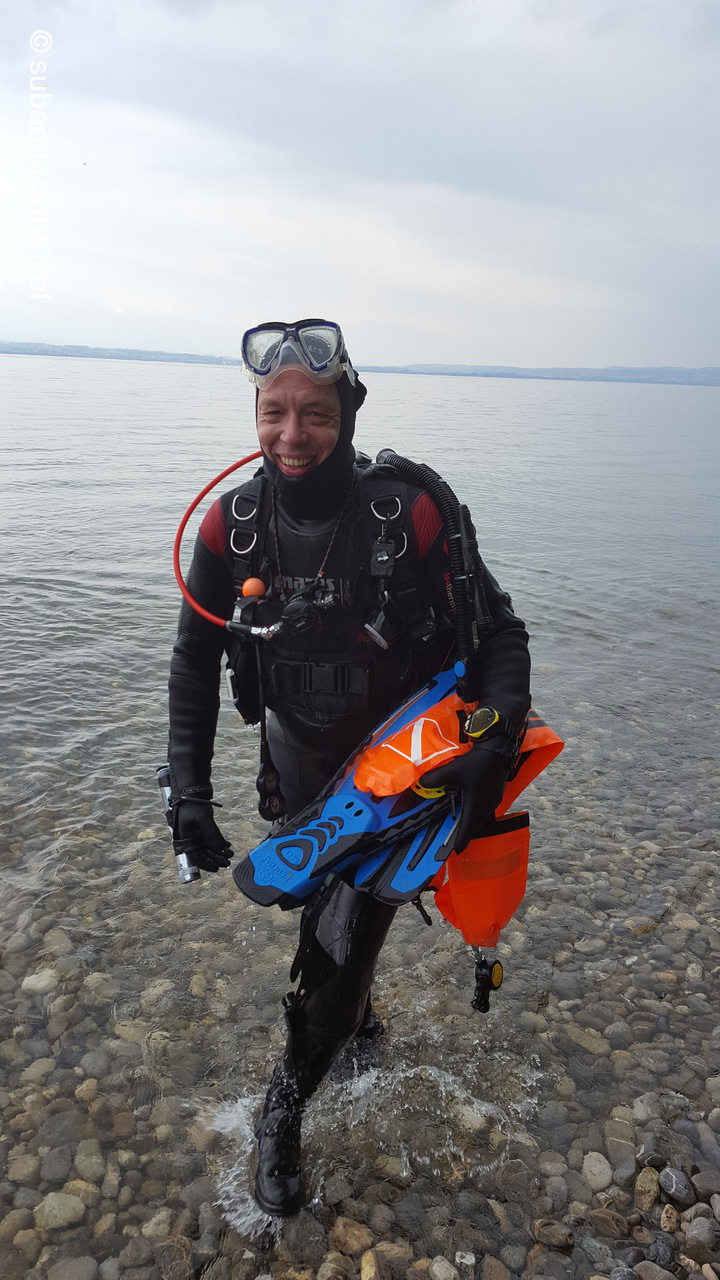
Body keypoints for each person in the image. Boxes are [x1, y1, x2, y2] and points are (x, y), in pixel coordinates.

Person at [166, 318, 531, 1216]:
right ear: (257, 411)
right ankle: (357, 1015)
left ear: (350, 413)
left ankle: (282, 1112)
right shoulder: (231, 528)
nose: (292, 435)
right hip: (297, 779)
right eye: (275, 411)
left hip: (402, 785)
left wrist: (494, 742)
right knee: (326, 929)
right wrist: (188, 793)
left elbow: (500, 637)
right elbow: (192, 664)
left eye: (316, 414)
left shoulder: (410, 516)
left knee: (338, 945)